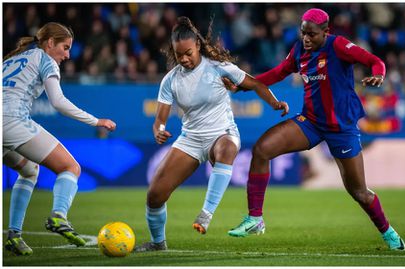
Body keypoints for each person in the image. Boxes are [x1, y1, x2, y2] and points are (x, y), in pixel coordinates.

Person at [226, 8, 405, 251]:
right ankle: (255, 219)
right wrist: (244, 85)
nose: (306, 39)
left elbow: (375, 61)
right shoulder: (300, 49)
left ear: (325, 32)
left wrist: (378, 75)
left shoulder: (339, 45)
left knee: (359, 192)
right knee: (262, 149)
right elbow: (278, 73)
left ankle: (388, 232)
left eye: (311, 34)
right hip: (310, 122)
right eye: (303, 33)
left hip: (341, 128)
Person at [134, 16, 288, 252]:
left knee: (226, 149)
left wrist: (275, 103)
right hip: (191, 140)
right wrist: (160, 131)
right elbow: (159, 121)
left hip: (223, 133)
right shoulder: (170, 81)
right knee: (154, 196)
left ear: (197, 45)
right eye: (178, 55)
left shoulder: (219, 68)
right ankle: (157, 243)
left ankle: (206, 214)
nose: (184, 59)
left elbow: (256, 83)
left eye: (188, 52)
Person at [3, 22, 117, 256]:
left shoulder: (10, 60)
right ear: (50, 43)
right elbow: (58, 102)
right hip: (11, 121)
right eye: (64, 48)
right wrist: (96, 121)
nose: (67, 55)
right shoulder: (46, 60)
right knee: (70, 167)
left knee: (29, 171)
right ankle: (59, 216)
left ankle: (14, 236)